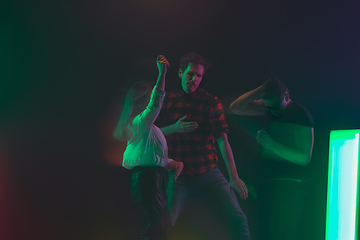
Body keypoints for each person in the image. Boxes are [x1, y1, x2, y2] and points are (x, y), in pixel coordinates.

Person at [155, 52, 251, 240]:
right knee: (164, 222)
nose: (195, 79)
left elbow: (222, 139)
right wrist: (174, 128)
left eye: (199, 75)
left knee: (238, 217)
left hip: (208, 171)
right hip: (179, 174)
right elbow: (153, 133)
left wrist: (234, 176)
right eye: (191, 74)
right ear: (181, 73)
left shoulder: (210, 102)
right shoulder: (169, 100)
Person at [113, 55, 187, 240]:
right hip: (146, 181)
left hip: (153, 180)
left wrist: (173, 163)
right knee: (154, 227)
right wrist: (162, 73)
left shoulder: (148, 129)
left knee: (161, 228)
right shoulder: (137, 123)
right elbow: (156, 102)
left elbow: (152, 155)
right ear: (140, 102)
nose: (150, 104)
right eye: (147, 99)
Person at [230, 78, 314, 240]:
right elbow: (236, 107)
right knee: (269, 233)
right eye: (269, 107)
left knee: (285, 233)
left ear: (287, 97)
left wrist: (271, 144)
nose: (273, 111)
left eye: (276, 107)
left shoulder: (301, 115)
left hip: (293, 183)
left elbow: (304, 157)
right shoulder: (270, 106)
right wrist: (262, 88)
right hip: (271, 180)